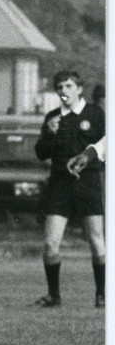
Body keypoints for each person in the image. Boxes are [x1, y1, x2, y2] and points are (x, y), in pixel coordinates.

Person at [33, 71, 105, 308]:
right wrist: (49, 133)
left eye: (68, 86)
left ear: (79, 89)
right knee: (50, 243)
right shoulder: (53, 117)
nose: (64, 91)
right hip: (60, 183)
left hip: (88, 181)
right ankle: (54, 295)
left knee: (96, 241)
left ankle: (102, 295)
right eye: (60, 87)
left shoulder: (95, 113)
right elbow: (41, 152)